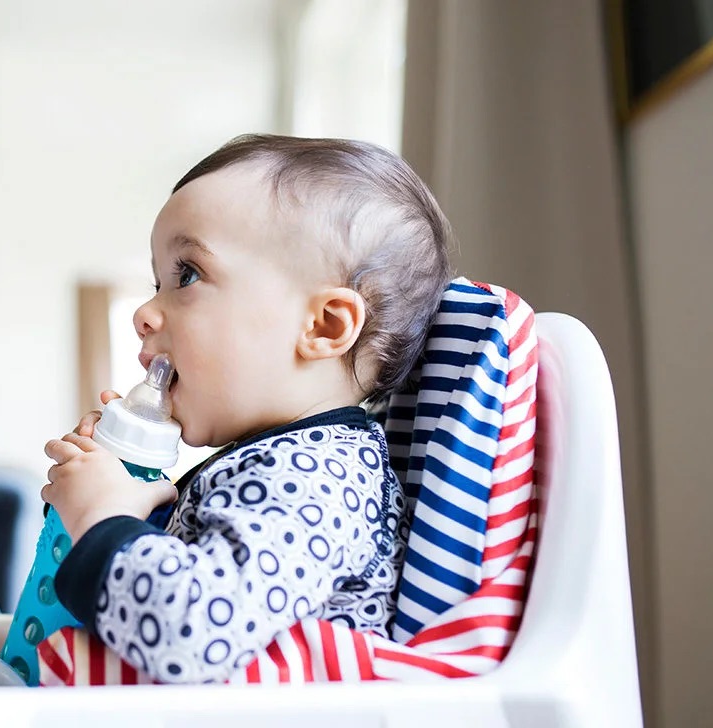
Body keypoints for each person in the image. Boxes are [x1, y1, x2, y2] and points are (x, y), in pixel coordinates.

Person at [40, 135, 454, 684]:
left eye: (186, 275)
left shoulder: (319, 479)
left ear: (323, 326)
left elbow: (190, 632)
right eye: (156, 281)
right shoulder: (276, 460)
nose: (144, 312)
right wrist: (117, 499)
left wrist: (104, 517)